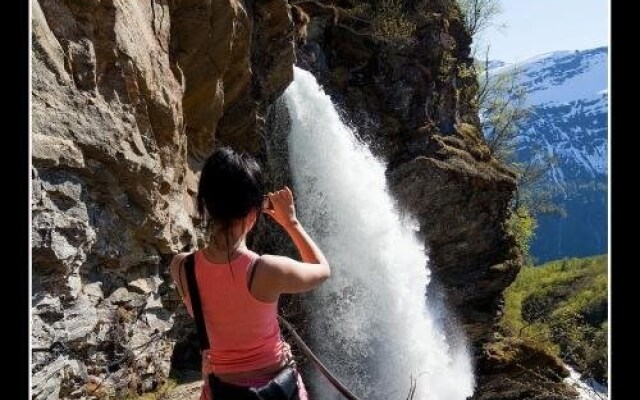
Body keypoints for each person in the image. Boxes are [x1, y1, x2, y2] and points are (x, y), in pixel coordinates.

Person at [170, 147, 331, 400]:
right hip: (278, 389)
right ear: (253, 214)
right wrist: (292, 223)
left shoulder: (181, 267)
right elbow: (322, 270)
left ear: (206, 206)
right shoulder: (266, 269)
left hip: (222, 392)